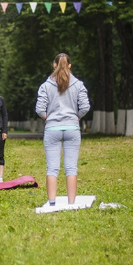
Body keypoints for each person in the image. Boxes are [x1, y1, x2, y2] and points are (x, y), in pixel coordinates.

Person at [35, 53, 90, 206]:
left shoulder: (45, 86)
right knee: (71, 167)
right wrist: (76, 117)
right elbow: (85, 107)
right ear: (70, 65)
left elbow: (40, 109)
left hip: (52, 129)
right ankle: (71, 203)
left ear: (54, 65)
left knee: (52, 168)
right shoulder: (78, 85)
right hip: (72, 128)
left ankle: (52, 203)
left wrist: (49, 118)